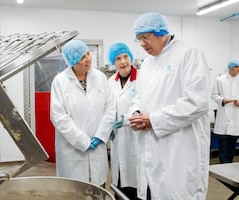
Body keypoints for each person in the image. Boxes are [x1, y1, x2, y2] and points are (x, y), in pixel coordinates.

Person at [128, 12, 211, 199]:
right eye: (138, 39)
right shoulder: (147, 64)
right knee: (153, 189)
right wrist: (136, 112)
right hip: (152, 145)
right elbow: (139, 97)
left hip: (181, 147)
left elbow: (197, 102)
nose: (142, 44)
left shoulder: (189, 54)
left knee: (177, 192)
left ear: (161, 32)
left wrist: (153, 119)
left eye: (145, 37)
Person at [50, 39, 115, 186]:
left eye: (87, 54)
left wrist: (100, 135)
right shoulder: (60, 81)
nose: (88, 59)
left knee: (98, 188)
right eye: (82, 57)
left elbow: (110, 108)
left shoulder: (100, 77)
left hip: (98, 147)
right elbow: (58, 116)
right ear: (72, 61)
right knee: (74, 191)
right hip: (72, 150)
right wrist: (83, 141)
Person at [107, 42, 139, 199]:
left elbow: (144, 106)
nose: (123, 61)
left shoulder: (142, 78)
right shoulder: (110, 82)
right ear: (114, 62)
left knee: (137, 181)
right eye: (118, 58)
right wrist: (108, 128)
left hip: (137, 136)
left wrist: (125, 120)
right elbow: (107, 108)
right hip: (117, 137)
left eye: (126, 56)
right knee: (120, 180)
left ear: (131, 58)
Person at [211, 59, 239, 163]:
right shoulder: (220, 80)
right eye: (237, 68)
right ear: (231, 68)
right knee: (223, 146)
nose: (238, 70)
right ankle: (223, 165)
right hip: (223, 118)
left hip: (236, 118)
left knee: (232, 147)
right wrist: (222, 100)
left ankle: (229, 165)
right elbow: (213, 95)